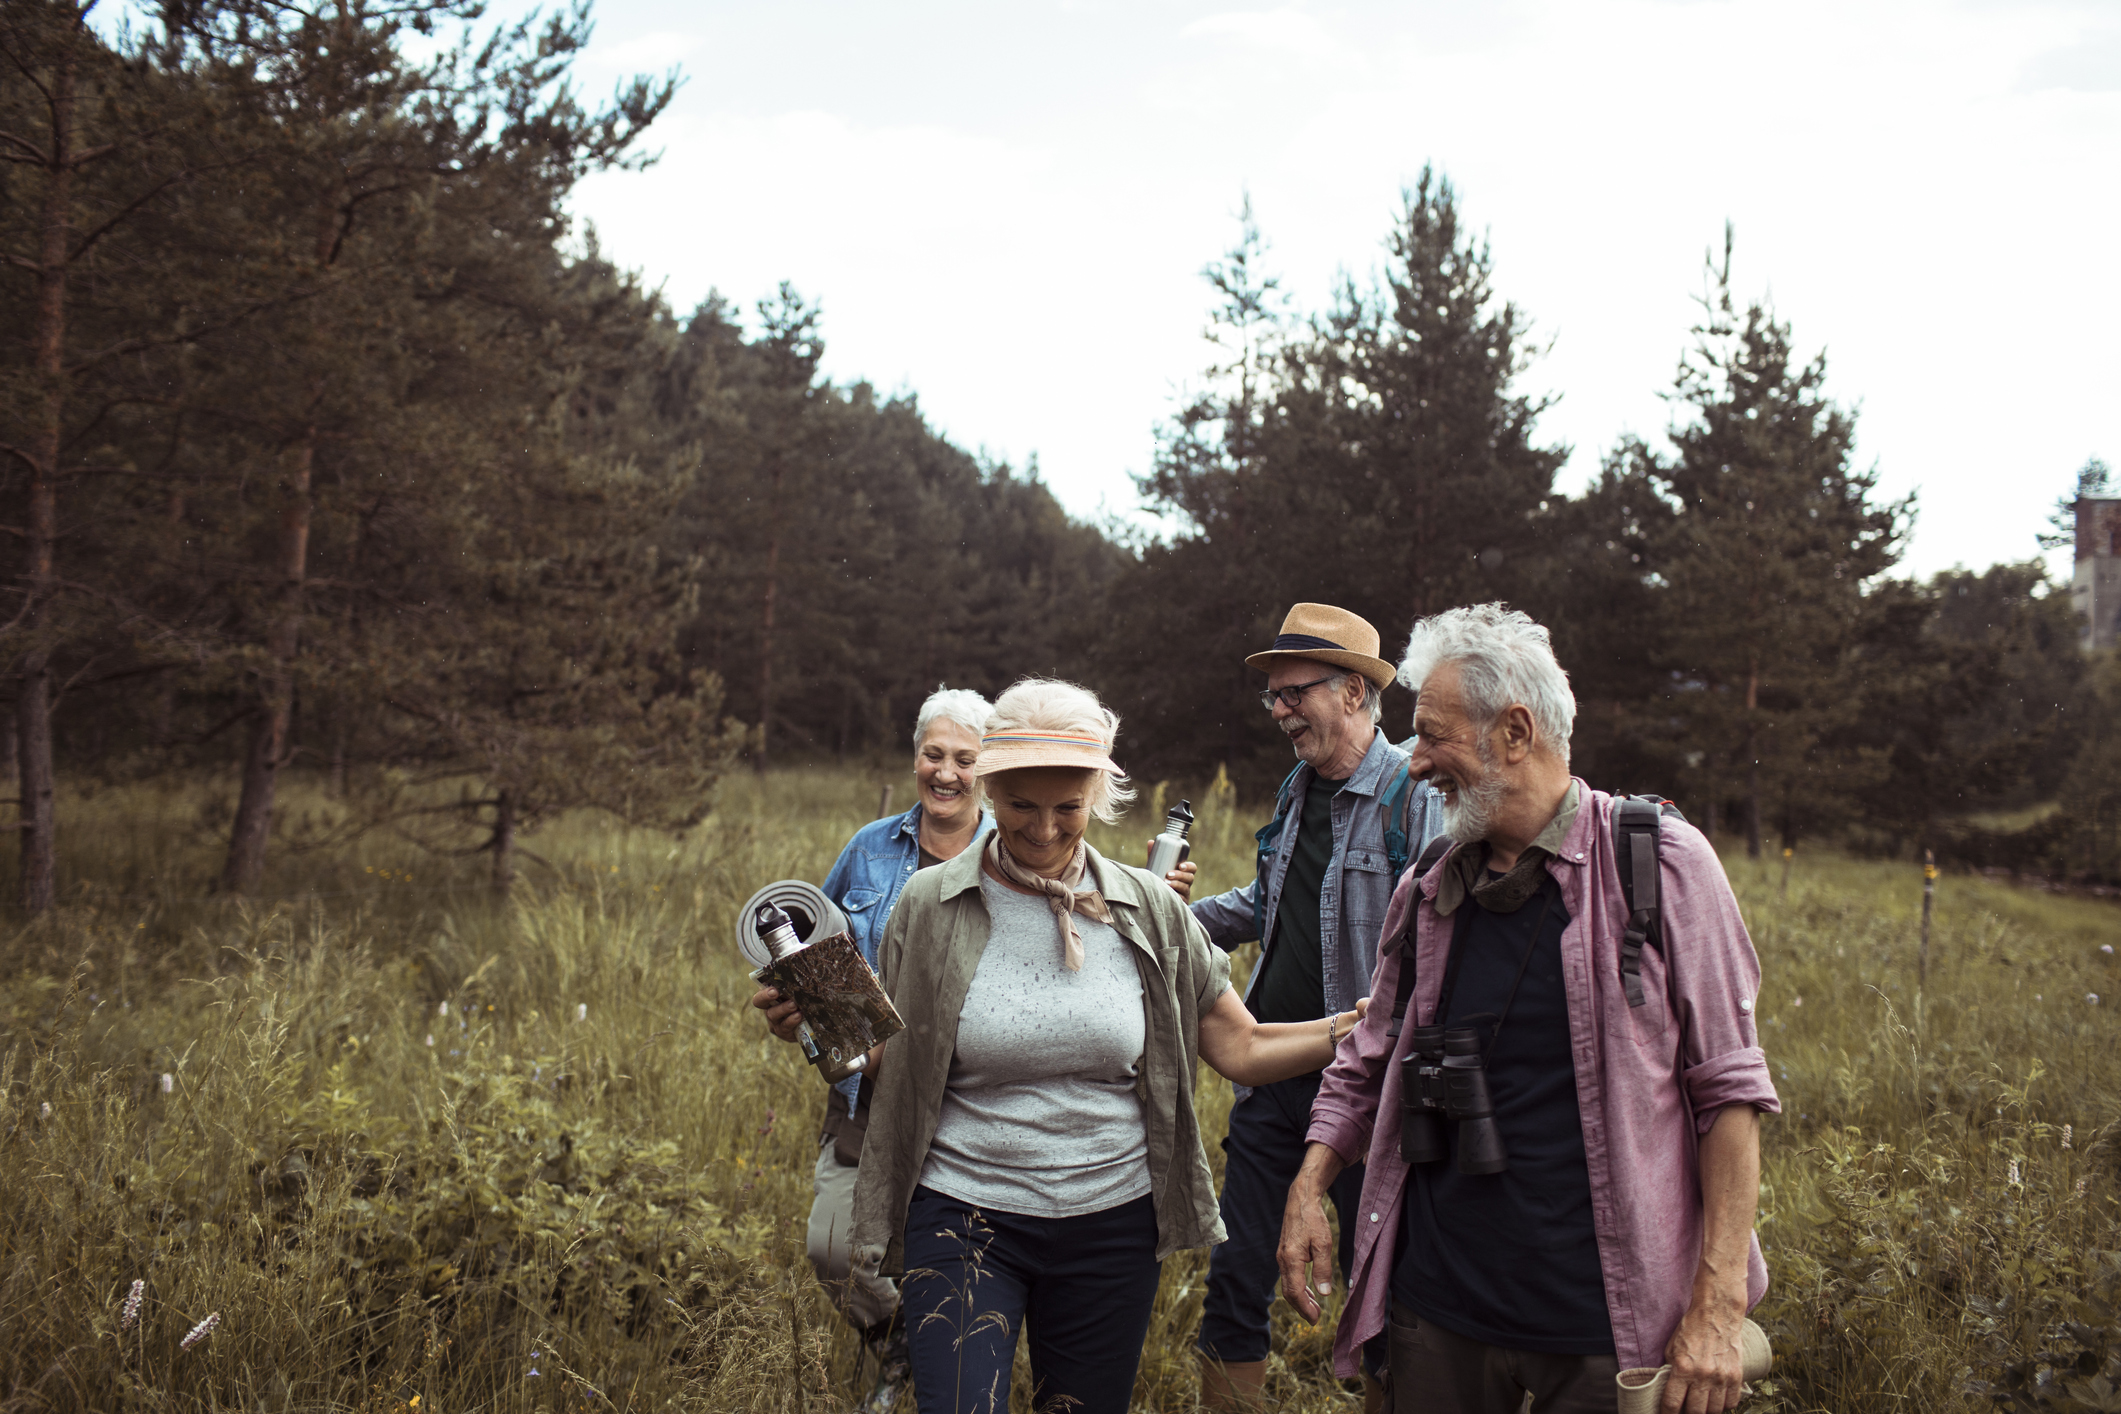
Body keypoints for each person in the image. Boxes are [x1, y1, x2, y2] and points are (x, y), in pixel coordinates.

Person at [1277, 604, 1781, 1414]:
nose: (1414, 764)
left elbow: (1729, 1092)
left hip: (1602, 1331)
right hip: (1434, 1312)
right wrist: (1310, 1184)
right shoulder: (1431, 887)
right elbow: (1368, 1055)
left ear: (1514, 732)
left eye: (1434, 736)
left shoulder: (1659, 865)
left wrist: (1716, 1310)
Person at [850, 678, 1373, 1414]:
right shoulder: (929, 905)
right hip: (964, 1215)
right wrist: (818, 1026)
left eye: (1067, 807)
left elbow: (1239, 1045)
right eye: (1019, 805)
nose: (1041, 829)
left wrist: (1349, 1030)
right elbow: (892, 1062)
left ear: (1098, 795)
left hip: (1110, 1228)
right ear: (988, 788)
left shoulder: (1150, 908)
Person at [1187, 603, 1443, 1413]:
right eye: (1273, 696)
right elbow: (1268, 904)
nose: (1278, 710)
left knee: (1389, 1291)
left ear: (1355, 695)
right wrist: (1154, 917)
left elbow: (1446, 941)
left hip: (1372, 1088)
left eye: (1294, 693)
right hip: (1274, 1068)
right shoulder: (1298, 788)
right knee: (1236, 1275)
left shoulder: (1415, 796)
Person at [751, 685, 994, 1414]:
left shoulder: (1009, 852)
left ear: (987, 769)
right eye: (932, 754)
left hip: (969, 1097)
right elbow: (807, 955)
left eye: (963, 759)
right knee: (834, 1249)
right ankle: (906, 1354)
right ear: (914, 757)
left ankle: (951, 1372)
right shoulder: (867, 847)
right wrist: (794, 1017)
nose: (944, 772)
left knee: (951, 1255)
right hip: (866, 1090)